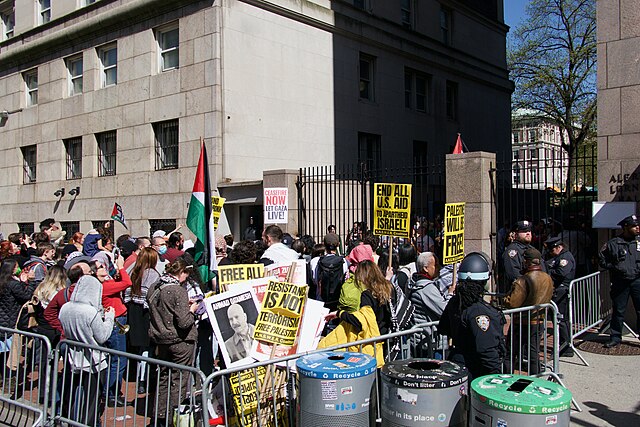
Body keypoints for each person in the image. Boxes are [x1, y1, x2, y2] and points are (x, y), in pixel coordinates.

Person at [147, 258, 199, 426]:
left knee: (164, 378)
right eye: (186, 274)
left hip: (161, 340)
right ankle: (173, 419)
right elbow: (184, 322)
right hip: (180, 341)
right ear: (181, 272)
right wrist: (192, 310)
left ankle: (160, 415)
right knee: (179, 380)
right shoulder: (178, 290)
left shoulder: (154, 287)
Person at [438, 252, 505, 380]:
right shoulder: (480, 312)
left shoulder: (455, 301)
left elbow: (443, 328)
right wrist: (496, 378)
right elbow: (487, 351)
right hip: (475, 370)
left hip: (457, 363)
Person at [58, 275, 115, 426]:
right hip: (93, 360)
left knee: (72, 392)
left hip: (74, 355)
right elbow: (102, 336)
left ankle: (70, 420)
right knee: (92, 399)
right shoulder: (89, 312)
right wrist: (109, 318)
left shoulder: (65, 307)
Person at [502, 247, 554, 375]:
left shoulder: (523, 280)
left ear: (527, 261)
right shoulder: (547, 278)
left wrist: (506, 298)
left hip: (522, 322)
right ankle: (535, 380)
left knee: (511, 352)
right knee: (533, 353)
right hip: (539, 321)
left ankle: (508, 378)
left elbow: (512, 303)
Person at [598, 214, 640, 348]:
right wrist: (614, 267)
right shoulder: (613, 243)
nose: (637, 228)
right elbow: (602, 259)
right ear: (626, 227)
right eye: (634, 226)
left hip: (637, 281)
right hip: (620, 282)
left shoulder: (639, 241)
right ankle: (615, 337)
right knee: (618, 310)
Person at [124, 247, 160, 393]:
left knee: (139, 348)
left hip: (133, 311)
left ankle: (139, 376)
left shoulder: (133, 271)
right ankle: (143, 380)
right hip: (145, 313)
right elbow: (153, 296)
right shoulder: (153, 274)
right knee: (146, 348)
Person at [544, 236, 576, 356]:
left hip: (561, 291)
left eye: (552, 250)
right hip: (558, 291)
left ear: (559, 247)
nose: (551, 254)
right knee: (558, 319)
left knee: (561, 320)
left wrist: (549, 271)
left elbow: (561, 273)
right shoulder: (559, 257)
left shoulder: (565, 257)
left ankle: (566, 347)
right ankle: (564, 345)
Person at [501, 220, 534, 292]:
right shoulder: (512, 251)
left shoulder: (531, 248)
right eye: (524, 231)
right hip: (521, 292)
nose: (528, 233)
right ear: (516, 234)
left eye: (529, 231)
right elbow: (514, 274)